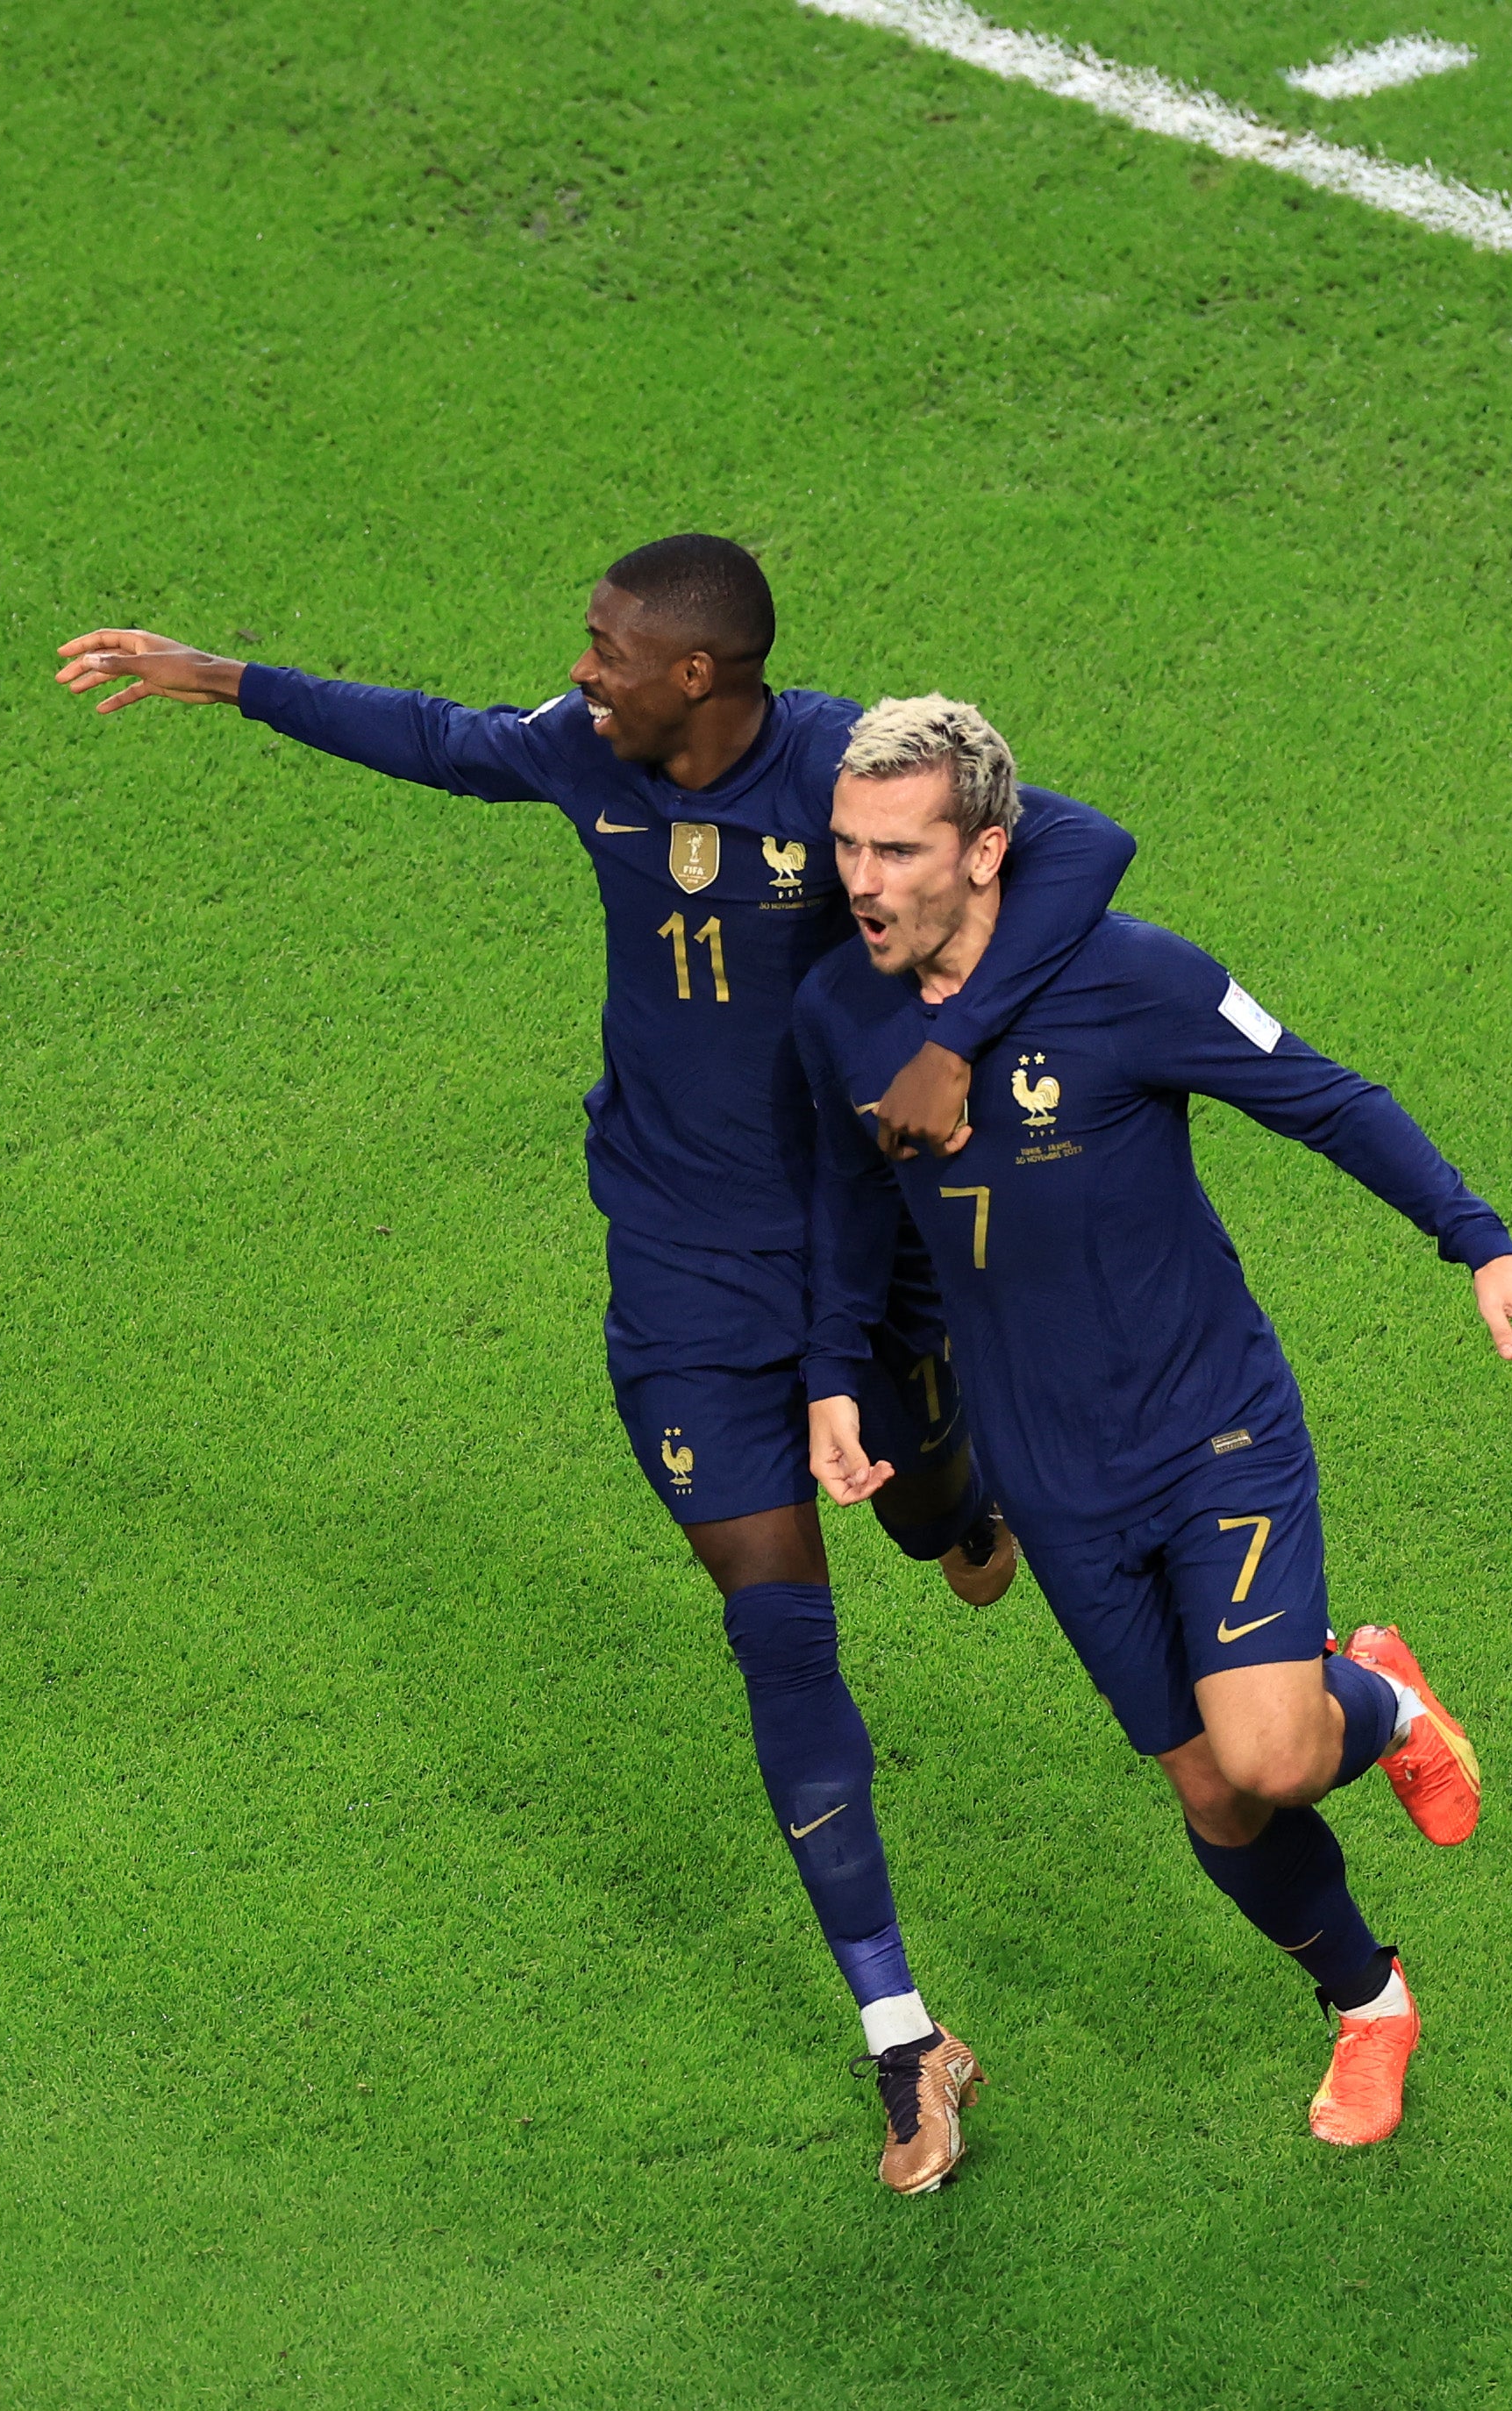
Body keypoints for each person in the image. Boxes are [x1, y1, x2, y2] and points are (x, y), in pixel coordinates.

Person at [57, 539, 1137, 2191]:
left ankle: (959, 1501)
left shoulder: (848, 778)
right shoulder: (583, 750)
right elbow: (433, 735)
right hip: (682, 1283)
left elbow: (1077, 846)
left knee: (942, 1526)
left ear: (702, 675)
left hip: (861, 1261)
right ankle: (904, 2036)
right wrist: (218, 675)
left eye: (611, 649)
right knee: (780, 1629)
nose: (582, 671)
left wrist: (949, 1040)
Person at [795, 695, 1512, 2148]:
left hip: (1211, 1429)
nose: (862, 879)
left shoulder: (1131, 977)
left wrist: (1485, 1246)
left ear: (986, 853)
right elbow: (850, 1208)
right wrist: (834, 1371)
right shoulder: (839, 1010)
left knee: (1274, 1752)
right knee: (1217, 1791)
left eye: (899, 850)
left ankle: (1384, 1701)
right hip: (1055, 1473)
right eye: (847, 847)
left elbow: (1326, 1099)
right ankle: (1371, 2002)